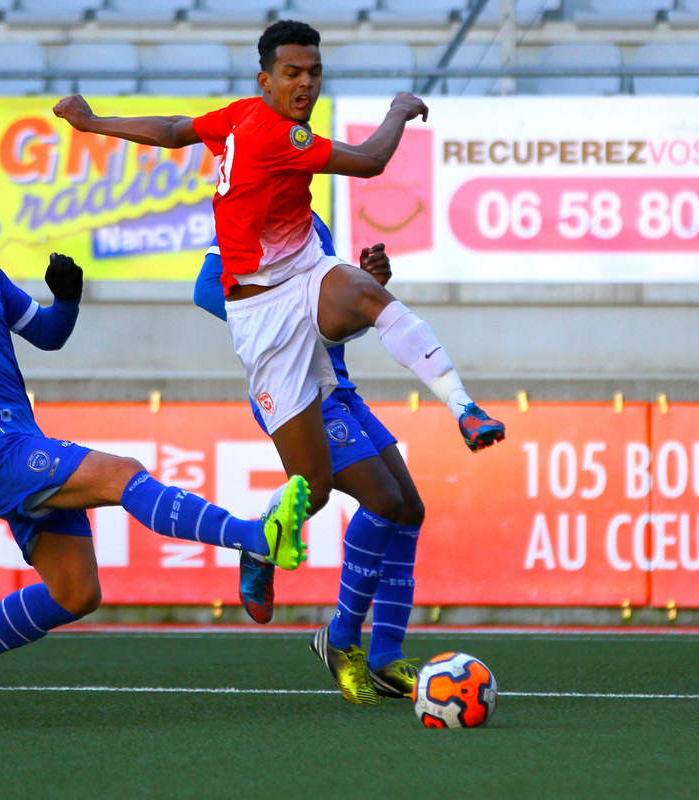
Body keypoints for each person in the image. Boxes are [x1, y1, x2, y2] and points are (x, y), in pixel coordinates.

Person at [53, 18, 504, 696]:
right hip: (266, 329)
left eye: (314, 73)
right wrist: (400, 110)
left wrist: (93, 122)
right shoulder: (277, 137)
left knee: (401, 501)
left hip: (308, 298)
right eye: (292, 73)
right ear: (265, 80)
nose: (305, 84)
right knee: (320, 493)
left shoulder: (241, 126)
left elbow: (175, 129)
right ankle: (266, 551)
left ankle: (463, 410)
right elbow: (373, 162)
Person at [0, 145, 310, 717]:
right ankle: (255, 538)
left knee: (76, 593)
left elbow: (48, 334)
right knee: (122, 475)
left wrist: (69, 298)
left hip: (18, 440)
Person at [196, 213, 426, 705]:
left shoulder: (308, 220)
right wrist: (297, 311)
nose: (302, 138)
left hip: (338, 387)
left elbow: (326, 326)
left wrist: (366, 293)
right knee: (382, 499)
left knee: (409, 507)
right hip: (298, 389)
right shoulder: (251, 207)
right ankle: (340, 637)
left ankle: (386, 656)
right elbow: (206, 289)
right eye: (295, 131)